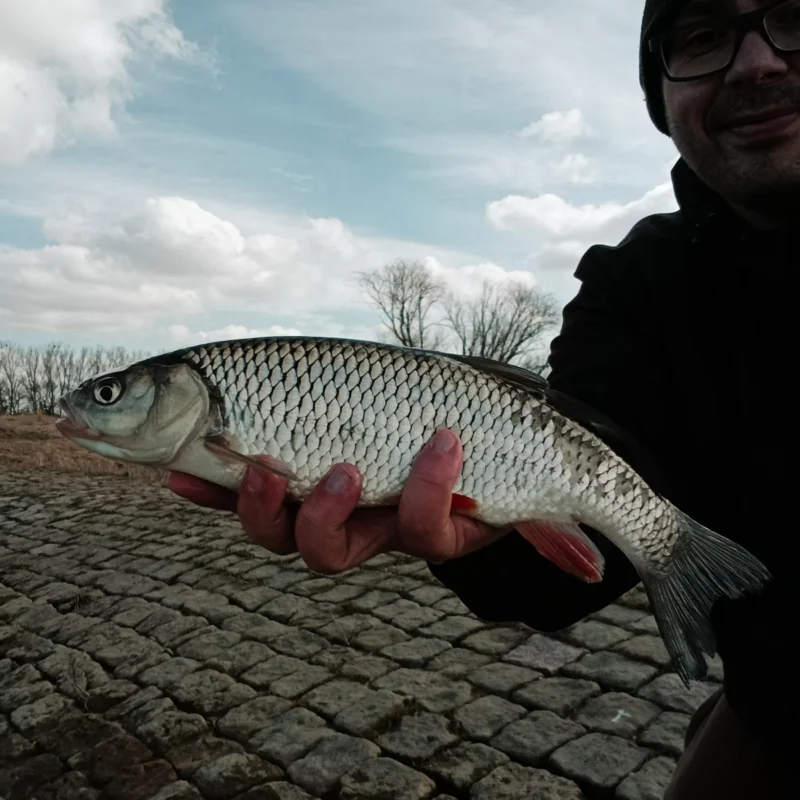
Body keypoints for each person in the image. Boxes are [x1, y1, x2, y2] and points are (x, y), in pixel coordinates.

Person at [168, 0, 797, 795]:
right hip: (773, 707)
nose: (757, 62)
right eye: (703, 38)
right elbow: (573, 565)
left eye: (794, 16)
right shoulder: (633, 287)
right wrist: (478, 536)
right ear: (660, 94)